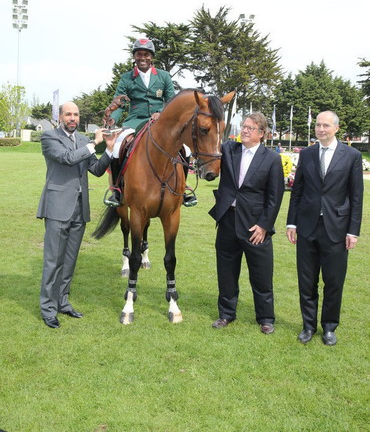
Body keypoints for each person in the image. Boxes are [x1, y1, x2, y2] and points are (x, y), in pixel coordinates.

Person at [37, 102, 118, 329]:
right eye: (69, 114)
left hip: (79, 209)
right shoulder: (49, 138)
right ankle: (48, 309)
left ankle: (62, 302)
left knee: (70, 261)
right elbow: (67, 158)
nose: (73, 118)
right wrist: (95, 143)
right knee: (53, 261)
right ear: (60, 117)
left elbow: (96, 170)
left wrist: (109, 149)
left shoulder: (83, 140)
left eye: (76, 114)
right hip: (56, 207)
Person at [286, 111, 363, 346]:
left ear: (336, 129)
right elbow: (297, 191)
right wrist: (292, 222)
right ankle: (308, 326)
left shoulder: (351, 156)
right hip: (307, 227)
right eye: (318, 125)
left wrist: (353, 231)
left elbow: (356, 196)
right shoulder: (307, 154)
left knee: (334, 281)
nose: (321, 129)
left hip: (337, 230)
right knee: (306, 281)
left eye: (326, 125)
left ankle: (329, 327)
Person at [209, 112, 284, 333]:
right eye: (243, 126)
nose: (244, 130)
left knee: (261, 275)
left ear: (262, 133)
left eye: (250, 128)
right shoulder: (229, 150)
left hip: (255, 227)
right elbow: (207, 144)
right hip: (227, 221)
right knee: (226, 272)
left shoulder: (271, 159)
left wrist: (264, 226)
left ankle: (266, 318)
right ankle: (226, 314)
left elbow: (275, 197)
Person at [104, 38, 197, 207]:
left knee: (186, 148)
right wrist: (113, 119)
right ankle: (117, 189)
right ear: (134, 57)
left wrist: (161, 113)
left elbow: (171, 101)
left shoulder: (164, 76)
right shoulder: (126, 78)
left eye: (146, 54)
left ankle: (182, 189)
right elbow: (119, 103)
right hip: (135, 120)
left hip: (161, 122)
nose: (142, 58)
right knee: (117, 146)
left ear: (151, 57)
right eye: (139, 54)